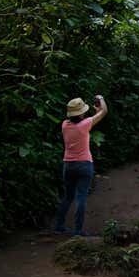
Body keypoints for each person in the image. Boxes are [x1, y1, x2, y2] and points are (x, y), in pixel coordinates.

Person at [54, 95, 108, 235]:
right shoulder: (84, 125)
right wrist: (101, 100)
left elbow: (83, 118)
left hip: (68, 165)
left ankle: (59, 225)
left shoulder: (65, 125)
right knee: (81, 196)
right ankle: (78, 230)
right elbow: (104, 112)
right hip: (84, 164)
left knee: (68, 196)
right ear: (81, 112)